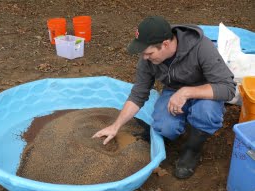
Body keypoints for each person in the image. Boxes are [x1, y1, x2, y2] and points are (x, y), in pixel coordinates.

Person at [92, 16, 236, 179]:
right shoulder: (147, 57)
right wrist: (115, 126)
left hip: (205, 92)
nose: (145, 57)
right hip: (174, 91)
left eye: (149, 53)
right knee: (164, 126)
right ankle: (170, 135)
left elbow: (228, 88)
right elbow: (139, 93)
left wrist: (186, 92)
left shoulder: (201, 47)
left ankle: (192, 150)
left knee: (206, 112)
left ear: (166, 44)